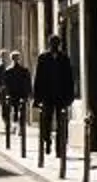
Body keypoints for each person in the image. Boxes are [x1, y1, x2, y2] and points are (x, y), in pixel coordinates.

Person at [32, 32, 76, 167]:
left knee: (62, 123)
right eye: (53, 43)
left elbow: (70, 79)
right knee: (46, 120)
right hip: (47, 96)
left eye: (57, 44)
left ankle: (60, 149)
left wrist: (70, 96)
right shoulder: (43, 58)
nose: (55, 46)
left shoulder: (64, 59)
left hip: (61, 96)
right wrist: (37, 97)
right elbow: (38, 78)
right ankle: (47, 141)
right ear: (49, 44)